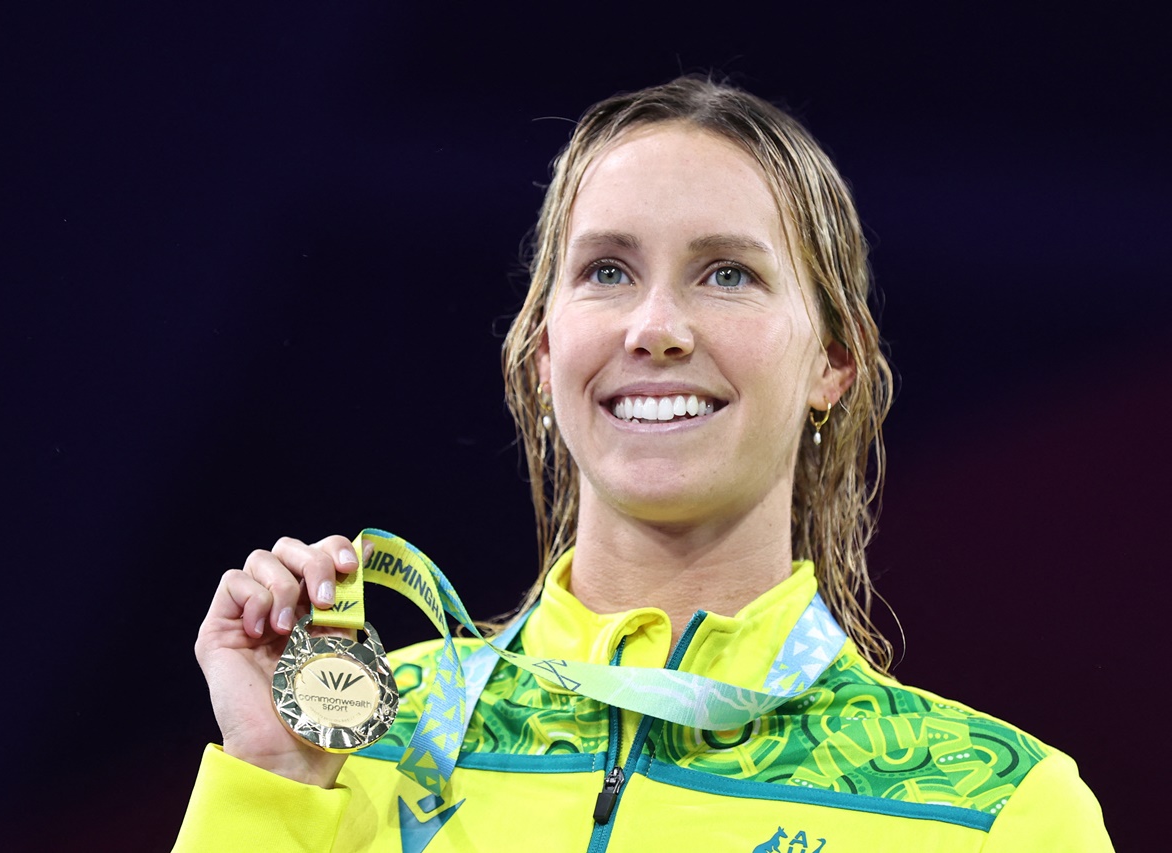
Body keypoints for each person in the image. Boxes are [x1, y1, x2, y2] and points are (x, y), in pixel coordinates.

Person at [175, 76, 1113, 851]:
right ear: (543, 355)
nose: (655, 327)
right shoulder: (359, 738)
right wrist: (276, 787)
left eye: (728, 273)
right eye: (608, 271)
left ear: (835, 362)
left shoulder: (995, 810)